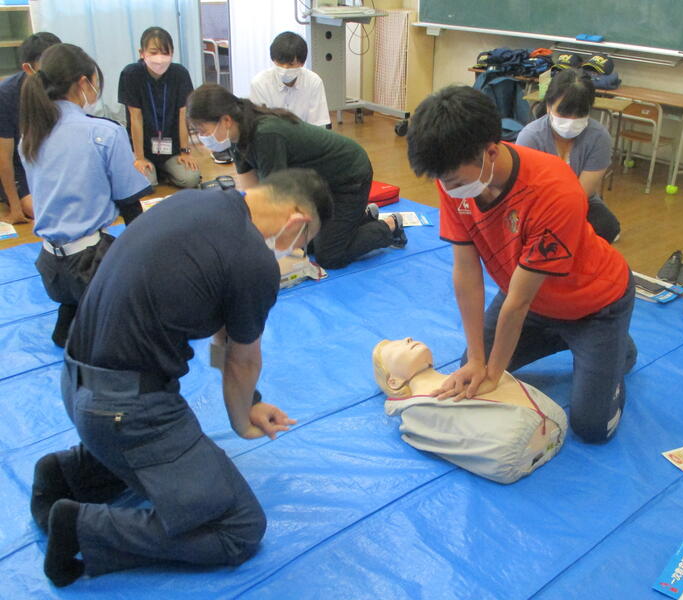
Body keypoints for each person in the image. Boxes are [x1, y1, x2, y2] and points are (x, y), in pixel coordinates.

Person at [29, 169, 333, 587]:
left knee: (167, 460)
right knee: (239, 527)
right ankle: (82, 529)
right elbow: (242, 361)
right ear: (297, 221)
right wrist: (241, 421)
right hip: (123, 411)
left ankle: (70, 473)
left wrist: (251, 400)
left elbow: (224, 335)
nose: (296, 251)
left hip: (75, 383)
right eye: (303, 242)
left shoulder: (196, 201)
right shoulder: (252, 259)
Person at [406, 86, 637, 444]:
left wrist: (493, 373)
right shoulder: (454, 176)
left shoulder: (555, 190)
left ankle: (616, 349)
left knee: (592, 427)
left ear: (490, 151)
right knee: (471, 368)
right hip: (531, 300)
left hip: (593, 306)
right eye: (444, 182)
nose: (448, 189)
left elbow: (518, 302)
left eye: (454, 182)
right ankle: (580, 345)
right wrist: (478, 362)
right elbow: (466, 273)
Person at [187, 83, 406, 269]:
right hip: (320, 183)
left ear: (226, 120)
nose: (203, 138)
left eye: (203, 130)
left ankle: (389, 224)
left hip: (349, 177)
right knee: (305, 244)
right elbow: (252, 196)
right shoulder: (237, 137)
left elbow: (278, 201)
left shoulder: (265, 135)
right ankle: (361, 217)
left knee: (329, 256)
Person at [19, 43, 151, 347]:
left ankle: (71, 316)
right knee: (143, 313)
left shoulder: (31, 135)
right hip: (89, 266)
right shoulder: (104, 133)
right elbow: (130, 205)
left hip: (49, 268)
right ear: (83, 82)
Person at [373, 337, 567, 484]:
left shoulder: (468, 375)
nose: (407, 339)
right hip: (524, 441)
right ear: (394, 381)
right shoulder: (417, 410)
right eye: (396, 346)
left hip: (539, 424)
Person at [516, 68, 621, 243]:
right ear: (548, 106)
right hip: (538, 205)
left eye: (579, 114)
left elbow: (581, 193)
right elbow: (525, 192)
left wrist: (565, 220)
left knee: (606, 226)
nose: (571, 120)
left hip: (579, 203)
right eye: (564, 113)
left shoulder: (599, 137)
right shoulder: (530, 137)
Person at [118, 27, 200, 188]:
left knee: (191, 178)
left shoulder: (180, 74)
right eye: (154, 52)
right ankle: (158, 171)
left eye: (165, 52)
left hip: (172, 148)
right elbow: (135, 118)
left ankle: (165, 170)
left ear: (172, 53)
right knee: (145, 183)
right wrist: (139, 158)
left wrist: (185, 152)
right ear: (142, 53)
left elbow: (183, 115)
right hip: (142, 148)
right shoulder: (131, 74)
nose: (159, 58)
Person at [0, 32, 61, 224]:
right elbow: (4, 157)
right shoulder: (6, 95)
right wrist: (15, 208)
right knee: (38, 210)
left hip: (50, 159)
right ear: (28, 68)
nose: (55, 72)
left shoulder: (63, 86)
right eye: (47, 65)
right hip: (18, 165)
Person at [249, 31, 330, 127]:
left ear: (302, 63)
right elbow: (259, 125)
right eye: (280, 63)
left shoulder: (313, 82)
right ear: (273, 60)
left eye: (291, 64)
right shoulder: (259, 84)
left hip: (304, 134)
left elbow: (318, 124)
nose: (285, 68)